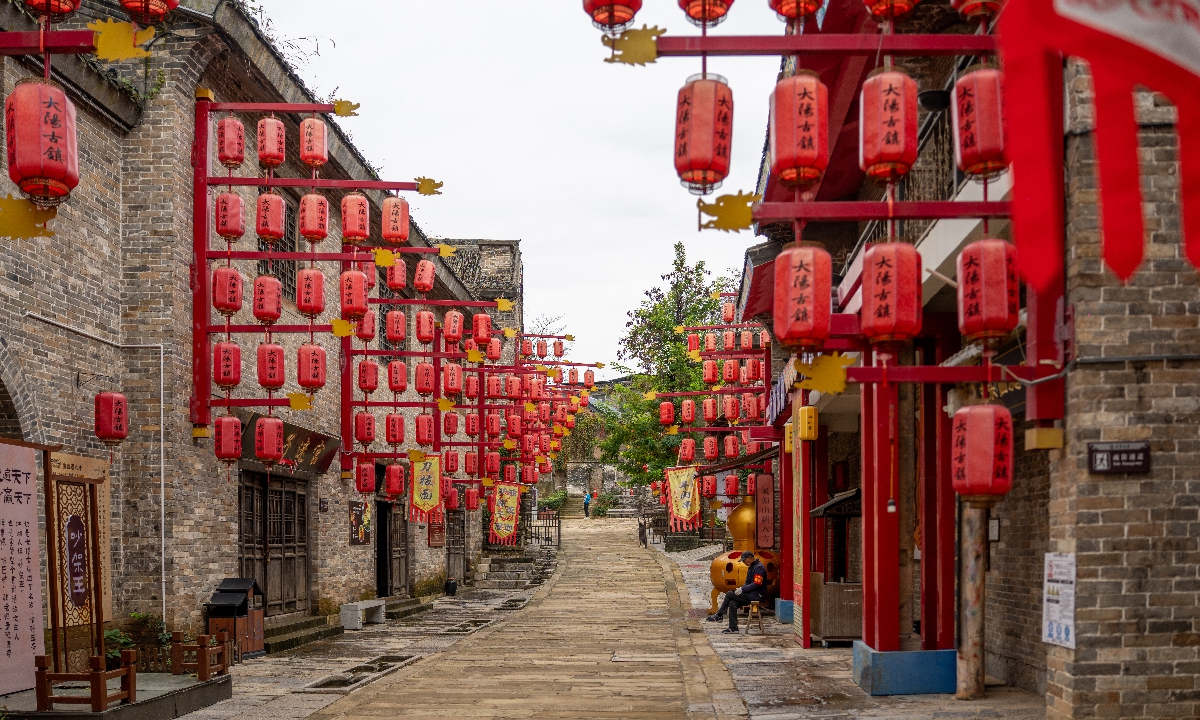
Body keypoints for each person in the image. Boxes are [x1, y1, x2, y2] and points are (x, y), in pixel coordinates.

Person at [707, 551, 766, 633]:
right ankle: (733, 627)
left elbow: (757, 583)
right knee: (732, 602)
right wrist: (742, 588)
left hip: (756, 595)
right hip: (750, 593)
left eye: (744, 560)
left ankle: (719, 615)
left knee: (730, 594)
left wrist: (743, 590)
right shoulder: (751, 567)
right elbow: (747, 583)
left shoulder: (759, 568)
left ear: (750, 558)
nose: (744, 563)